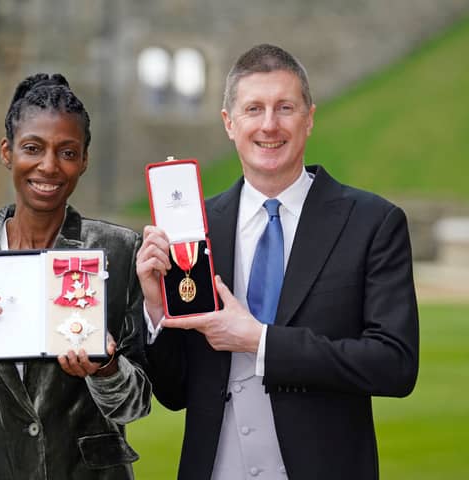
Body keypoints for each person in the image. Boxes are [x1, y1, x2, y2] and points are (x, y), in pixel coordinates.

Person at [136, 44, 419, 480]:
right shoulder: (194, 227)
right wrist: (157, 309)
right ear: (230, 123)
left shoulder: (372, 223)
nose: (269, 125)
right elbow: (174, 393)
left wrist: (259, 341)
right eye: (253, 109)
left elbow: (395, 365)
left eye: (285, 107)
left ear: (309, 118)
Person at [0, 73, 151, 479]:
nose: (49, 167)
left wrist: (105, 368)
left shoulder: (120, 252)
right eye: (32, 149)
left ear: (85, 159)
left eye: (68, 152)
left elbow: (135, 406)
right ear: (7, 151)